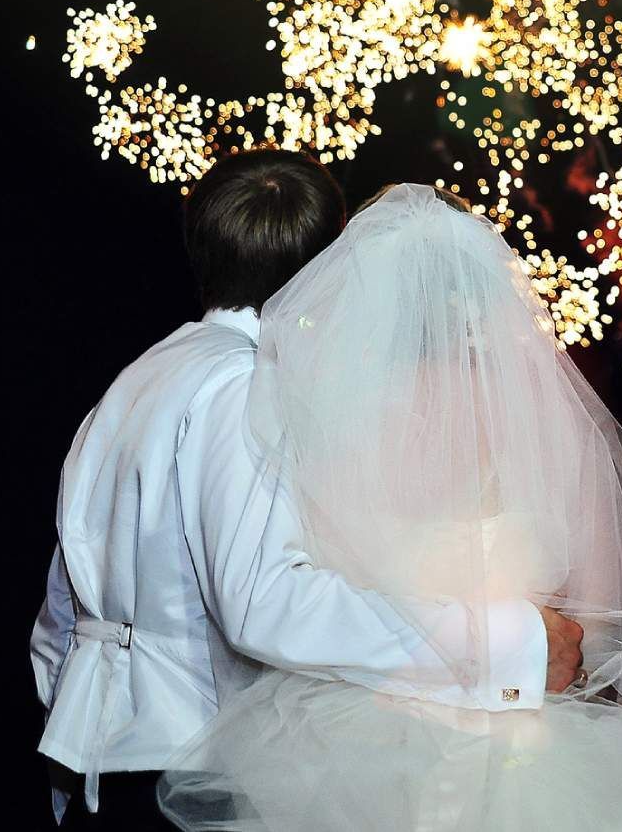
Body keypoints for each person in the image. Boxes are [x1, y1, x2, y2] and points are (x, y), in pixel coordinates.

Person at [156, 183, 622, 831]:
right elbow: (596, 623)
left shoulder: (332, 426)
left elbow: (311, 595)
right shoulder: (550, 425)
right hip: (535, 731)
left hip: (361, 745)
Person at [31, 153, 585, 828]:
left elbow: (65, 604)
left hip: (98, 753)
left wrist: (73, 727)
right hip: (186, 768)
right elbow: (266, 603)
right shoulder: (241, 389)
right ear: (327, 261)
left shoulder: (140, 378)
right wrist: (502, 643)